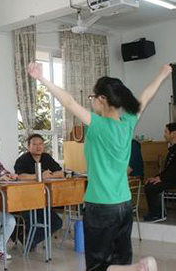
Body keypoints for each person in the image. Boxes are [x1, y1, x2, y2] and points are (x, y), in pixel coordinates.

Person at [28, 62, 171, 271]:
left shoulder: (97, 124)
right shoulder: (128, 123)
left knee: (97, 266)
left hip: (100, 205)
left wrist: (42, 78)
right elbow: (146, 96)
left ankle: (135, 268)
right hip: (123, 204)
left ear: (102, 99)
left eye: (92, 97)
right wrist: (162, 73)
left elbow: (68, 101)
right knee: (119, 259)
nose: (91, 101)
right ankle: (132, 268)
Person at [14, 133, 63, 250]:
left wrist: (49, 175)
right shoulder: (22, 159)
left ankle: (30, 241)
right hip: (25, 200)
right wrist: (39, 175)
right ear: (28, 146)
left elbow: (60, 173)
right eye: (34, 144)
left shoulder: (46, 157)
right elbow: (20, 176)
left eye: (40, 144)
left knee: (57, 223)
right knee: (34, 223)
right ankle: (29, 240)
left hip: (43, 199)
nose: (38, 146)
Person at [144, 122, 176, 222]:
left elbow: (173, 170)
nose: (164, 134)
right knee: (150, 182)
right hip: (170, 178)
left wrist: (160, 178)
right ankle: (159, 212)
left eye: (166, 132)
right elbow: (167, 169)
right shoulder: (172, 149)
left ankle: (158, 214)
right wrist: (156, 177)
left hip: (174, 179)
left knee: (151, 186)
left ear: (174, 133)